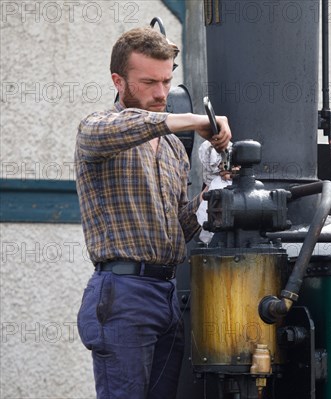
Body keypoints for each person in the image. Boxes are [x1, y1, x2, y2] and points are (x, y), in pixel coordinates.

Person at [75, 27, 231, 399]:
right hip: (122, 292)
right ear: (119, 80)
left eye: (166, 81)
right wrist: (198, 121)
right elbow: (132, 124)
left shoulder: (174, 151)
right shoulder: (96, 130)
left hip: (166, 293)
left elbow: (182, 226)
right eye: (149, 82)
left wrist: (214, 190)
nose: (161, 93)